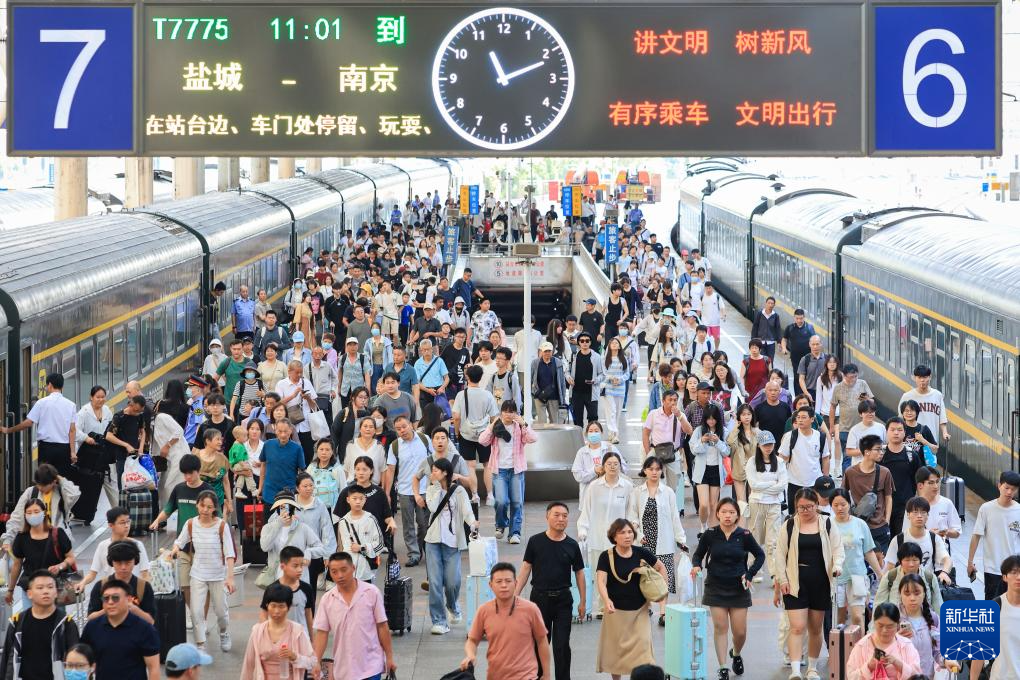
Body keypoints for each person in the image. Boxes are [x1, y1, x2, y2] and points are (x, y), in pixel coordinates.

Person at [691, 498, 765, 680]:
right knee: (720, 628)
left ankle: (736, 653)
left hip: (739, 588)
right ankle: (723, 667)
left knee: (740, 632)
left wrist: (750, 574)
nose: (727, 516)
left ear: (737, 515)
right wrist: (696, 566)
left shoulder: (744, 535)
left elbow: (760, 555)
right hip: (715, 587)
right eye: (723, 512)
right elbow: (698, 555)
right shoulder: (709, 534)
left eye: (732, 512)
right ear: (717, 513)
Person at [775, 489, 844, 680]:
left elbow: (838, 549)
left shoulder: (827, 523)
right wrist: (782, 579)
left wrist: (837, 565)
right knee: (797, 627)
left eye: (809, 507)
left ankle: (812, 668)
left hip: (820, 581)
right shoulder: (789, 525)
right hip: (795, 581)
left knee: (815, 628)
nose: (805, 511)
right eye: (801, 507)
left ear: (817, 505)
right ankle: (796, 670)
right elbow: (779, 554)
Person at [515, 502, 586, 680]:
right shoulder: (535, 541)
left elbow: (579, 573)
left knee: (562, 646)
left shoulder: (572, 545)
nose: (561, 519)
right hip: (539, 600)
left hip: (563, 600)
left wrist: (583, 601)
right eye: (556, 515)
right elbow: (525, 568)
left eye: (565, 516)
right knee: (540, 643)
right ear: (547, 517)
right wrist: (514, 596)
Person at [595, 519, 667, 679]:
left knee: (644, 652)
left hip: (640, 611)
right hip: (615, 614)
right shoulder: (606, 556)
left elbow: (661, 567)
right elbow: (601, 580)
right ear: (614, 536)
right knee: (616, 656)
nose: (627, 536)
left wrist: (662, 591)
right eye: (622, 533)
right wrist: (606, 600)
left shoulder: (641, 553)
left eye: (630, 532)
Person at [170, 490, 236, 652]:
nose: (205, 510)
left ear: (215, 508)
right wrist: (175, 549)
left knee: (221, 612)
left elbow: (229, 553)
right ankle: (200, 644)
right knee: (196, 611)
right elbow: (180, 541)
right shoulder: (191, 524)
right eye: (202, 505)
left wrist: (230, 577)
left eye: (209, 507)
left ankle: (224, 632)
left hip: (218, 575)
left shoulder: (221, 526)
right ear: (197, 505)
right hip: (198, 574)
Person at [312, 552, 397, 680]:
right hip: (343, 669)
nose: (339, 575)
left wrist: (389, 657)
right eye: (334, 572)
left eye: (343, 570)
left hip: (371, 665)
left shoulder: (371, 592)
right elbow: (322, 633)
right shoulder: (327, 599)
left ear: (353, 568)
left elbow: (382, 626)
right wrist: (316, 661)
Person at [460, 562, 550, 680]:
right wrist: (470, 655)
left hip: (526, 676)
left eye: (508, 581)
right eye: (499, 581)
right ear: (491, 585)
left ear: (515, 583)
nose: (504, 585)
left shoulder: (531, 609)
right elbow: (472, 640)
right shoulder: (484, 611)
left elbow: (542, 641)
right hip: (495, 676)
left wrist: (546, 674)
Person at [629, 456, 688, 626]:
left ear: (661, 471)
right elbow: (632, 517)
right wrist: (638, 535)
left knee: (664, 575)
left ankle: (663, 611)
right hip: (644, 541)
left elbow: (674, 517)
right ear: (645, 471)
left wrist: (681, 539)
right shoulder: (637, 492)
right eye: (651, 469)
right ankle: (646, 605)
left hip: (664, 540)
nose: (654, 472)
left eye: (657, 469)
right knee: (643, 576)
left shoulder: (668, 492)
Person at [422, 457, 477, 634]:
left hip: (452, 541)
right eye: (432, 470)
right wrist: (437, 487)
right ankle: (439, 621)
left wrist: (473, 523)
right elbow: (432, 507)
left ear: (445, 472)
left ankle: (452, 606)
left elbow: (467, 511)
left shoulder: (459, 491)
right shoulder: (431, 489)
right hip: (432, 541)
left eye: (435, 471)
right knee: (435, 582)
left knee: (453, 581)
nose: (432, 473)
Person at [577, 451, 633, 618]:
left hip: (618, 540)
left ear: (620, 466)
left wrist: (631, 533)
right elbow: (586, 510)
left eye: (616, 464)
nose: (612, 467)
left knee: (617, 573)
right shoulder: (594, 487)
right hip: (597, 536)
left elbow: (630, 513)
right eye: (609, 464)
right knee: (599, 574)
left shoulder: (627, 487)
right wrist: (583, 530)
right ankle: (602, 606)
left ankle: (615, 603)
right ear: (603, 466)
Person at [0, 569, 81, 680]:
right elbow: (6, 659)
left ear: (56, 592)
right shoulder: (17, 623)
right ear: (29, 594)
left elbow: (76, 662)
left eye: (50, 587)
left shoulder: (66, 624)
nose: (46, 591)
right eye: (40, 588)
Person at [478, 402, 537, 545]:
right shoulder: (496, 426)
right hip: (499, 471)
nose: (508, 414)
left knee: (517, 502)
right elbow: (482, 441)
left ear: (516, 413)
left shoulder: (519, 427)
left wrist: (524, 424)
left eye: (511, 412)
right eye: (505, 411)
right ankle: (501, 524)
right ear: (501, 412)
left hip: (516, 470)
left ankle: (514, 533)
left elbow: (533, 438)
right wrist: (492, 425)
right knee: (501, 501)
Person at [79, 579, 160, 680]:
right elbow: (82, 660)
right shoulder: (92, 627)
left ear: (129, 600)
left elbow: (153, 668)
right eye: (106, 598)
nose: (110, 602)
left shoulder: (145, 629)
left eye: (115, 598)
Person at [0, 373, 76, 478]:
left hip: (46, 449)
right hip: (64, 449)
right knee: (62, 481)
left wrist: (8, 430)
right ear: (62, 386)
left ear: (50, 385)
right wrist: (72, 452)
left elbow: (28, 423)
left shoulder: (41, 403)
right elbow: (72, 430)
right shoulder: (71, 405)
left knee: (45, 480)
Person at [6, 499, 75, 612]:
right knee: (30, 619)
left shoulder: (58, 533)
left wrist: (59, 567)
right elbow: (17, 565)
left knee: (57, 620)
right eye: (29, 512)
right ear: (25, 515)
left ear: (44, 513)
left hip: (56, 587)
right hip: (31, 587)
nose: (33, 515)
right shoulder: (22, 537)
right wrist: (10, 590)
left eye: (36, 511)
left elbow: (71, 558)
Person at [829, 489, 883, 630]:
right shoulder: (828, 525)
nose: (840, 508)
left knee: (858, 617)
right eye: (836, 505)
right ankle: (840, 645)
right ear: (831, 506)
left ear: (849, 504)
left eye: (843, 504)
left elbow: (868, 551)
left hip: (857, 576)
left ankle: (860, 644)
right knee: (839, 619)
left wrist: (880, 573)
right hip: (837, 578)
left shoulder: (860, 524)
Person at [384, 415, 433, 566]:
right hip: (404, 491)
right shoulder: (395, 446)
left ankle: (420, 547)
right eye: (398, 429)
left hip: (424, 489)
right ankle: (413, 554)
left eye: (404, 427)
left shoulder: (424, 439)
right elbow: (390, 470)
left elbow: (434, 460)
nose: (402, 431)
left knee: (423, 523)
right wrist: (387, 493)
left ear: (411, 425)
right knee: (408, 525)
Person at [244, 582, 318, 680]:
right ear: (267, 606)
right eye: (273, 606)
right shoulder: (257, 631)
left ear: (288, 607)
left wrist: (295, 657)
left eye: (281, 606)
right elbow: (249, 664)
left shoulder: (297, 631)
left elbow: (312, 661)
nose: (276, 611)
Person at [967, 470, 1020, 600]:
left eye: (1013, 489)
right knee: (992, 606)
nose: (1009, 492)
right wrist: (970, 562)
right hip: (992, 569)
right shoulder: (986, 509)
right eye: (1006, 488)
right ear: (999, 486)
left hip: (1014, 570)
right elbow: (976, 536)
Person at [2, 464, 80, 552]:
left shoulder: (61, 492)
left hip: (57, 541)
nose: (40, 487)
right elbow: (17, 517)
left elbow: (74, 494)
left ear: (53, 482)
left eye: (44, 485)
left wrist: (60, 479)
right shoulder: (31, 492)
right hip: (34, 540)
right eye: (38, 484)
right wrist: (8, 539)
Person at [842, 434, 895, 561]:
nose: (881, 452)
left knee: (880, 562)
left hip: (880, 526)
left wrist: (887, 520)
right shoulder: (850, 472)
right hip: (858, 525)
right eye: (878, 449)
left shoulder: (885, 472)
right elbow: (843, 495)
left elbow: (888, 497)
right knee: (860, 562)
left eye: (882, 449)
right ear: (867, 452)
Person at [744, 431, 787, 579]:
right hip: (756, 504)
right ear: (759, 446)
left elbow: (782, 485)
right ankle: (755, 569)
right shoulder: (752, 462)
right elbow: (753, 485)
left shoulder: (779, 462)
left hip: (774, 504)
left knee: (772, 540)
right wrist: (772, 483)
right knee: (755, 538)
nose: (768, 448)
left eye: (770, 444)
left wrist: (764, 486)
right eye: (765, 445)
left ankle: (774, 572)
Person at [260, 491, 326, 585]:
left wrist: (308, 553)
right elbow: (265, 547)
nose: (285, 511)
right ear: (277, 509)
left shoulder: (303, 528)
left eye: (288, 507)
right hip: (277, 580)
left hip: (299, 579)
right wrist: (278, 525)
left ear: (293, 508)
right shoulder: (268, 527)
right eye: (281, 507)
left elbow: (321, 548)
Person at [78, 508, 151, 592]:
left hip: (133, 592)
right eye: (122, 523)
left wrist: (145, 592)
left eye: (128, 522)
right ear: (111, 525)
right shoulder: (103, 546)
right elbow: (92, 574)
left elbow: (145, 574)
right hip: (112, 591)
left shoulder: (138, 545)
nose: (127, 525)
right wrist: (82, 583)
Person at [845, 602, 922, 680]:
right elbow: (851, 676)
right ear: (874, 623)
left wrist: (897, 663)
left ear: (898, 625)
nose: (884, 630)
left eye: (890, 626)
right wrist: (869, 666)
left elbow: (917, 675)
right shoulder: (862, 645)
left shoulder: (906, 645)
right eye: (880, 625)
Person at [84, 541, 155, 624]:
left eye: (128, 563)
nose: (123, 567)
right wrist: (107, 609)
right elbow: (91, 618)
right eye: (118, 563)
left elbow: (151, 621)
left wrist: (135, 610)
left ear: (135, 561)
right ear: (111, 562)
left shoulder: (143, 587)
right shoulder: (101, 586)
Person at [883, 496, 953, 580]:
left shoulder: (934, 538)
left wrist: (944, 573)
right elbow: (890, 565)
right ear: (908, 515)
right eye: (915, 512)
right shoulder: (898, 540)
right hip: (904, 584)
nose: (919, 516)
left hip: (928, 584)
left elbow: (947, 559)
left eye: (923, 512)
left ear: (928, 515)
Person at [72, 385, 114, 523]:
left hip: (103, 453)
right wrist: (86, 438)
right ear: (91, 397)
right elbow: (75, 431)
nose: (101, 400)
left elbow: (111, 429)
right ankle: (83, 514)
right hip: (87, 454)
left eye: (103, 397)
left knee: (110, 483)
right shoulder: (84, 412)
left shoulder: (107, 411)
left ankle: (119, 512)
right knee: (88, 485)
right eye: (98, 397)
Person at [641, 389, 693, 494]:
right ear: (663, 401)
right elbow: (645, 433)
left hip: (673, 453)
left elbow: (689, 431)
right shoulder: (653, 414)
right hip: (656, 451)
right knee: (654, 483)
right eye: (670, 400)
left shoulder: (680, 415)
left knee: (674, 485)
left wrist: (679, 416)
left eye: (675, 400)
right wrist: (648, 452)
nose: (673, 402)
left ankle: (670, 502)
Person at [294, 471, 337, 596]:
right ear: (297, 488)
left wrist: (327, 554)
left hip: (313, 554)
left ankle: (310, 609)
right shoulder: (290, 504)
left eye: (311, 485)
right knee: (293, 589)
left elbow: (327, 529)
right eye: (305, 486)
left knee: (310, 589)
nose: (309, 488)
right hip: (293, 552)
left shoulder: (319, 505)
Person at [896, 573, 946, 679]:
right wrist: (896, 639)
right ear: (900, 595)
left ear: (924, 594)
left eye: (917, 593)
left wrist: (946, 661)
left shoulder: (933, 618)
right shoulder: (894, 619)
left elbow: (938, 651)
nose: (912, 598)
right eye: (907, 594)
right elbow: (885, 651)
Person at [334, 456, 397, 539]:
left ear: (371, 471)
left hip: (375, 538)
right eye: (358, 469)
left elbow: (387, 516)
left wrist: (391, 522)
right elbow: (338, 518)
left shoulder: (379, 492)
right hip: (352, 539)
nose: (361, 473)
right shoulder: (346, 492)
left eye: (364, 469)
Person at [258, 546, 316, 634]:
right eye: (295, 566)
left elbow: (308, 615)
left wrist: (311, 638)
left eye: (301, 566)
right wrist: (265, 635)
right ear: (282, 566)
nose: (300, 570)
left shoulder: (307, 588)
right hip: (279, 638)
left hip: (301, 637)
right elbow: (264, 614)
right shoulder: (272, 589)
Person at [881, 418, 924, 536]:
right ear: (887, 432)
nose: (896, 433)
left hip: (905, 508)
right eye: (892, 429)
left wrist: (920, 505)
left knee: (903, 540)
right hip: (882, 507)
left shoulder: (912, 456)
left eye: (900, 430)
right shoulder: (880, 455)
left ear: (905, 433)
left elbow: (920, 482)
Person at [258, 418, 306, 519]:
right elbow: (263, 465)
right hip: (269, 492)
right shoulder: (267, 445)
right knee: (268, 524)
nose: (283, 435)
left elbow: (302, 471)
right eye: (280, 431)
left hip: (288, 493)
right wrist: (260, 487)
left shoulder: (297, 448)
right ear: (275, 430)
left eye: (286, 431)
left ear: (291, 431)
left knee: (288, 524)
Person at [337, 486, 386, 583]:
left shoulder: (370, 519)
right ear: (348, 500)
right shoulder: (343, 521)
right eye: (354, 498)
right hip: (348, 571)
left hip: (366, 570)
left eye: (361, 498)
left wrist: (362, 548)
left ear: (365, 500)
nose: (358, 502)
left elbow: (380, 544)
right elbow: (341, 547)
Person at [779, 406, 827, 502]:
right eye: (798, 417)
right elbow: (782, 458)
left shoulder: (820, 437)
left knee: (813, 509)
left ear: (812, 419)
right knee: (794, 510)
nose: (800, 420)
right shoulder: (789, 436)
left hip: (815, 482)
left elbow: (825, 458)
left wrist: (825, 479)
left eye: (804, 417)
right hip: (794, 482)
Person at [275, 361, 319, 464]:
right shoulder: (281, 384)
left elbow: (314, 406)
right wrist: (293, 396)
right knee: (290, 454)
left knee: (308, 453)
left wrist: (308, 398)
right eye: (297, 372)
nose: (299, 375)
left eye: (301, 372)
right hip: (289, 424)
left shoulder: (306, 382)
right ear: (289, 371)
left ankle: (305, 471)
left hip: (306, 424)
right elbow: (277, 404)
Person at [908, 466, 962, 549]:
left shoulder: (947, 503)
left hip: (942, 551)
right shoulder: (912, 505)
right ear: (920, 485)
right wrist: (928, 534)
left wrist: (946, 532)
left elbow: (957, 531)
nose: (936, 486)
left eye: (937, 481)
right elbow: (906, 534)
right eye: (931, 483)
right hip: (918, 551)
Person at [898, 365, 950, 448]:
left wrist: (945, 432)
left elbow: (942, 418)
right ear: (914, 378)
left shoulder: (937, 395)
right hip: (911, 441)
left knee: (930, 456)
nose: (922, 380)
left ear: (930, 377)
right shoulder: (907, 396)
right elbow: (901, 419)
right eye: (919, 377)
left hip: (931, 440)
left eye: (925, 377)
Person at [572, 421, 622, 502]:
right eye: (590, 431)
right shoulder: (581, 452)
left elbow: (623, 468)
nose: (593, 433)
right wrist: (594, 471)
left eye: (596, 431)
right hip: (588, 495)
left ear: (601, 432)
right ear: (586, 434)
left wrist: (609, 469)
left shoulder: (610, 448)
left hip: (609, 493)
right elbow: (578, 476)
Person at [566, 332, 605, 425]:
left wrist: (595, 380)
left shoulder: (597, 357)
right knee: (577, 420)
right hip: (576, 393)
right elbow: (566, 371)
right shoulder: (573, 356)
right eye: (582, 341)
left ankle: (592, 434)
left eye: (587, 341)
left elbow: (602, 374)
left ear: (590, 342)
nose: (584, 343)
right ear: (579, 342)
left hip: (591, 393)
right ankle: (579, 435)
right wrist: (568, 378)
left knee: (593, 419)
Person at [532, 342, 568, 426]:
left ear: (552, 351)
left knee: (554, 422)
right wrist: (534, 392)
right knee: (542, 422)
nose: (547, 353)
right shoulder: (535, 363)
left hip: (553, 396)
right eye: (545, 351)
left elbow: (562, 381)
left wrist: (562, 398)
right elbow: (530, 378)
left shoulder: (557, 362)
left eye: (549, 351)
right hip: (539, 396)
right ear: (542, 351)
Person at [843, 400, 885, 470]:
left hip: (877, 467)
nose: (870, 414)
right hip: (859, 467)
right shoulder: (854, 430)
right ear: (860, 414)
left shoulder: (881, 427)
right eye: (866, 412)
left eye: (872, 412)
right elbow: (849, 451)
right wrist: (868, 450)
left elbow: (885, 445)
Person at [781, 310, 815, 395]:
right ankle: (798, 396)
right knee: (797, 377)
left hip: (808, 358)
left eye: (801, 318)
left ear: (804, 317)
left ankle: (807, 395)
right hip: (795, 359)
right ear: (794, 318)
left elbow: (814, 340)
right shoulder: (790, 328)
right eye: (797, 318)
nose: (799, 320)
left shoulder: (809, 328)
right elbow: (784, 339)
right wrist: (784, 348)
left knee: (807, 377)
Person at [307, 438, 346, 511]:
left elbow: (343, 490)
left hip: (332, 509)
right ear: (317, 451)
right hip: (314, 508)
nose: (324, 452)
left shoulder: (337, 469)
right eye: (321, 449)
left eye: (327, 450)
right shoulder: (311, 468)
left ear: (332, 452)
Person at [753, 382, 793, 452]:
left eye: (775, 390)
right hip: (765, 444)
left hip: (782, 444)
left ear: (779, 391)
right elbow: (754, 426)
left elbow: (790, 425)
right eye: (770, 390)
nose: (773, 392)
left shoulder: (785, 407)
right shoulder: (759, 408)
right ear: (765, 391)